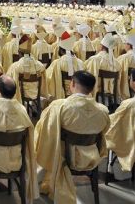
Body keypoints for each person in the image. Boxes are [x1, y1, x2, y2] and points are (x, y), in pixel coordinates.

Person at [35, 71, 110, 203]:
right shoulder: (103, 110)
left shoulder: (59, 106)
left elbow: (45, 131)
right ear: (92, 88)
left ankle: (44, 180)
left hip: (65, 157)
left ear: (72, 84)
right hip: (92, 157)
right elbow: (104, 134)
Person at [44, 30, 84, 99]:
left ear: (61, 50)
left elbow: (48, 77)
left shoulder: (57, 63)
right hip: (78, 91)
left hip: (63, 92)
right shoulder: (81, 63)